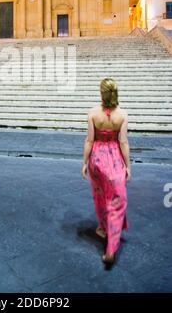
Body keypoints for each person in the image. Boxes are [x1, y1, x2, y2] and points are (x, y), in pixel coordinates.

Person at [82, 78, 131, 265]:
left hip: (97, 160)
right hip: (115, 160)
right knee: (117, 201)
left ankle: (103, 228)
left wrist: (85, 162)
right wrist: (128, 166)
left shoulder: (93, 113)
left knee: (100, 197)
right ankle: (111, 247)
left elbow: (89, 140)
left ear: (101, 93)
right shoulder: (123, 115)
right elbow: (123, 142)